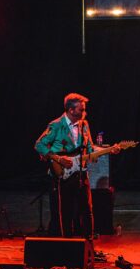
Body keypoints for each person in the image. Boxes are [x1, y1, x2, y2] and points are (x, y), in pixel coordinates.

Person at [34, 92, 119, 238]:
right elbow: (39, 145)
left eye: (84, 109)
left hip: (81, 171)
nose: (84, 112)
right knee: (65, 211)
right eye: (81, 109)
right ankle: (66, 243)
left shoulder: (84, 125)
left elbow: (90, 148)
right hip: (63, 174)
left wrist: (110, 150)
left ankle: (88, 242)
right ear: (71, 110)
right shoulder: (56, 125)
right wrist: (58, 159)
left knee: (87, 209)